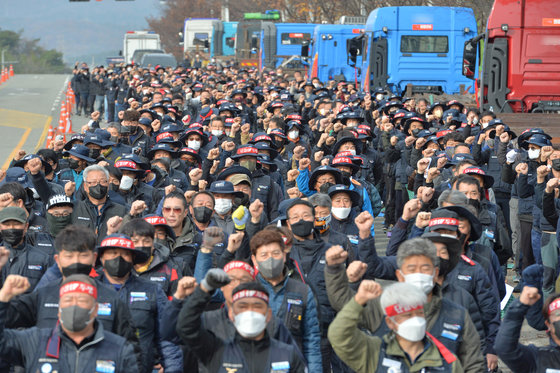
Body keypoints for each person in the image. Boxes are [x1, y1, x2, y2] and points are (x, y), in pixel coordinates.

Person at [324, 238, 485, 372]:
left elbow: (473, 363)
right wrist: (334, 270)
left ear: (435, 273)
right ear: (400, 275)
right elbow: (342, 305)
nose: (419, 274)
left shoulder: (456, 313)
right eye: (411, 269)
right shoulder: (384, 307)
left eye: (425, 268)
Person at [0, 273, 139, 372]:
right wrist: (3, 297)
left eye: (82, 300)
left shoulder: (119, 349)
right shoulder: (35, 340)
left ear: (95, 309)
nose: (74, 305)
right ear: (59, 309)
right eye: (68, 300)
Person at [176, 271, 306, 372]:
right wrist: (204, 289)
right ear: (232, 314)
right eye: (242, 306)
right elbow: (186, 327)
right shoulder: (216, 351)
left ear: (268, 315)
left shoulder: (288, 354)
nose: (250, 312)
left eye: (257, 306)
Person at [328, 281, 463, 372]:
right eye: (407, 315)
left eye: (419, 313)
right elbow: (339, 336)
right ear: (390, 323)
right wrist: (359, 300)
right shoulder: (375, 351)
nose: (415, 320)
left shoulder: (447, 361)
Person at [250, 229, 322, 371]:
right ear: (254, 259)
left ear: (284, 255)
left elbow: (311, 340)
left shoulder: (302, 290)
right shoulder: (248, 292)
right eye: (264, 255)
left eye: (275, 253)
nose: (270, 259)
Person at [495, 286, 560, 372]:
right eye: (558, 314)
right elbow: (505, 347)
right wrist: (519, 307)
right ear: (548, 324)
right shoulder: (537, 359)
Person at [72, 164, 127, 243]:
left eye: (102, 181)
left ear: (108, 184)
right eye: (93, 182)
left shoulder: (121, 210)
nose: (98, 185)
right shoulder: (75, 208)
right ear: (85, 186)